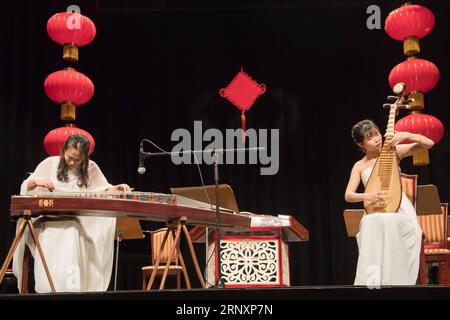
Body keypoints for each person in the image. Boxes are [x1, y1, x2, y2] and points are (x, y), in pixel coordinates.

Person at [13, 134, 132, 293]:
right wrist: (37, 182)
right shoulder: (49, 164)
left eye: (78, 160)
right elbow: (26, 186)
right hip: (47, 220)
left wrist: (116, 188)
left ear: (85, 157)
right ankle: (51, 287)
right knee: (70, 229)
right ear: (63, 151)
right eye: (70, 157)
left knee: (74, 228)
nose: (73, 162)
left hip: (78, 220)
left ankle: (73, 287)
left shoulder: (91, 168)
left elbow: (101, 189)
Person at [344, 119, 434, 286]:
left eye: (377, 134)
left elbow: (429, 143)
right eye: (370, 138)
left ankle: (395, 282)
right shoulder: (359, 166)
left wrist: (406, 135)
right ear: (360, 144)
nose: (377, 139)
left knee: (385, 220)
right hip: (375, 210)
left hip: (399, 209)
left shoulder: (394, 152)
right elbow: (348, 195)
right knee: (371, 222)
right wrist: (368, 196)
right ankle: (372, 282)